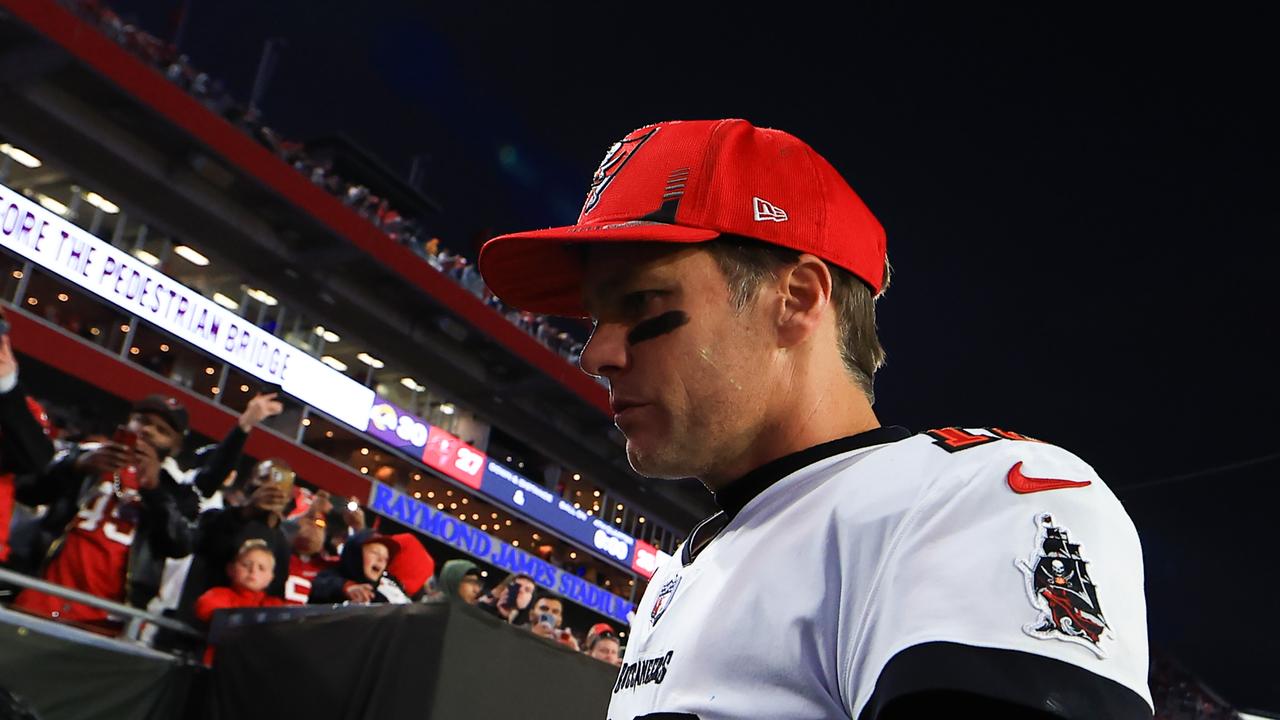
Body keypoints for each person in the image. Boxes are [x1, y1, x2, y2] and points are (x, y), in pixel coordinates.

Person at [478, 119, 1152, 719]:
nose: (597, 352)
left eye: (640, 302)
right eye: (597, 318)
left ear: (796, 300)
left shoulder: (972, 495)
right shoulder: (681, 572)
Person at [12, 394, 197, 631]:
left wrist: (154, 490)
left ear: (175, 447)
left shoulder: (178, 492)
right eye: (142, 420)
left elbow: (179, 544)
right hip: (43, 595)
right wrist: (76, 466)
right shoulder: (86, 455)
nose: (148, 430)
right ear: (128, 422)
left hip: (105, 618)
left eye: (162, 430)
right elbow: (27, 491)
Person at [194, 538, 290, 664]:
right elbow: (206, 608)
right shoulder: (218, 595)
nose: (253, 571)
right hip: (219, 664)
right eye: (246, 565)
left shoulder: (275, 606)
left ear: (270, 578)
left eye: (261, 568)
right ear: (230, 569)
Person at [308, 531, 408, 605]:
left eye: (386, 558)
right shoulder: (325, 577)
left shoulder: (380, 601)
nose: (381, 560)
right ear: (356, 554)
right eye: (375, 552)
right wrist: (345, 587)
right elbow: (318, 587)